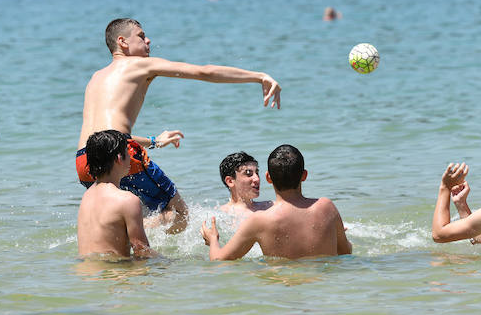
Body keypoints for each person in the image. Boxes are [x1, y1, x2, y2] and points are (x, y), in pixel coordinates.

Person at [77, 18, 282, 235]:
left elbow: (106, 138)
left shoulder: (96, 78)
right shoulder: (140, 64)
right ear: (122, 42)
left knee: (132, 211)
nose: (148, 40)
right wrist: (260, 77)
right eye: (140, 35)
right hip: (120, 154)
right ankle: (159, 260)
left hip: (84, 161)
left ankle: (121, 249)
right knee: (179, 213)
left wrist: (154, 142)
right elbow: (205, 72)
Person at [201, 145, 351, 260]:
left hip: (281, 290)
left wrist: (213, 239)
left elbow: (218, 260)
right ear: (304, 175)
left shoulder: (259, 220)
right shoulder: (327, 206)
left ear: (268, 178)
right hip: (324, 287)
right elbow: (346, 252)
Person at [77, 130, 154, 258]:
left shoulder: (87, 196)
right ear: (119, 158)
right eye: (127, 153)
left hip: (86, 274)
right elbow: (142, 252)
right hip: (113, 273)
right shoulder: (127, 200)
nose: (130, 157)